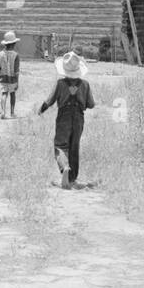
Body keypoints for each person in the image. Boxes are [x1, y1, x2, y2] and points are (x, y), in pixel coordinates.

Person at [37, 50, 94, 189]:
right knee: (74, 146)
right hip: (79, 118)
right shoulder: (85, 85)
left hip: (64, 116)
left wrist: (41, 109)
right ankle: (72, 179)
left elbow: (50, 100)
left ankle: (64, 168)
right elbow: (91, 104)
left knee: (61, 145)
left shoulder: (60, 84)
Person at [0, 30, 21, 118]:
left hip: (3, 77)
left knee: (4, 94)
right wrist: (17, 82)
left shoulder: (0, 54)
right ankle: (12, 113)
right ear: (14, 44)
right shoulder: (16, 55)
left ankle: (3, 112)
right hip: (13, 78)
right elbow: (16, 70)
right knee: (12, 94)